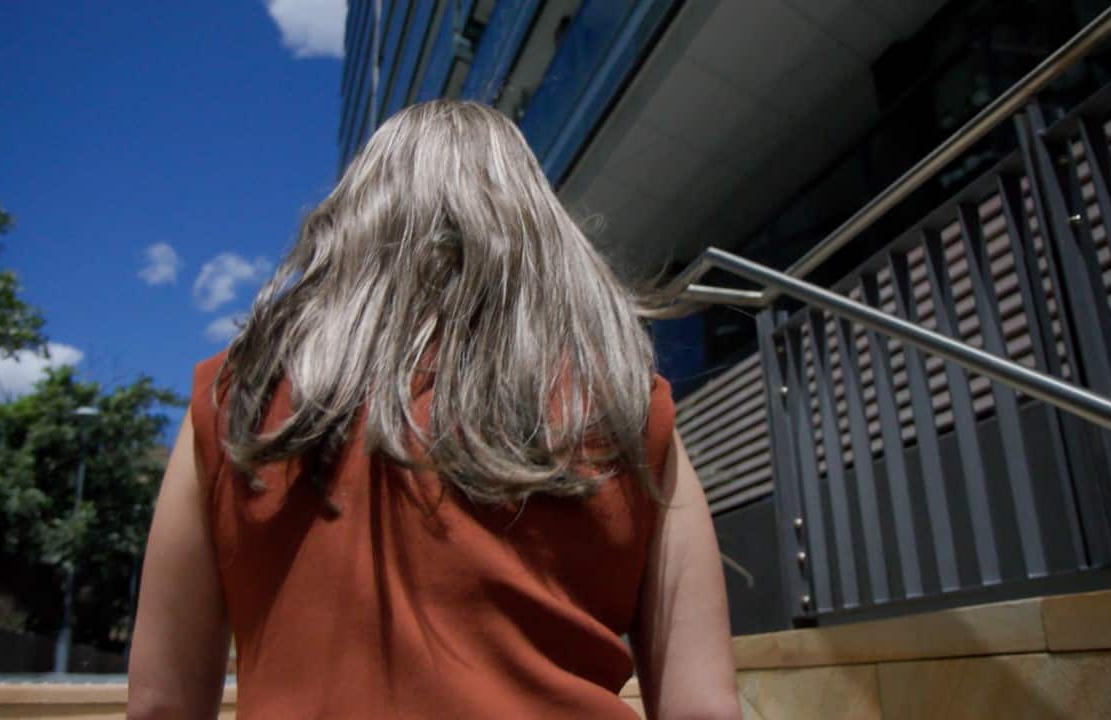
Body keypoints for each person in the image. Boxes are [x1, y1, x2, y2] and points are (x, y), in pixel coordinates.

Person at [126, 100, 740, 719]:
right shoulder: (625, 404)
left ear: (358, 218)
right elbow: (703, 711)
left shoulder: (236, 399)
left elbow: (161, 707)